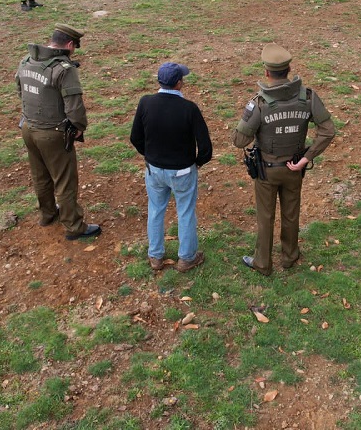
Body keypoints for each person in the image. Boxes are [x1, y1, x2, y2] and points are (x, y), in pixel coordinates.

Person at [232, 43, 335, 276]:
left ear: (267, 72)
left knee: (265, 217)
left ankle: (263, 263)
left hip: (266, 171)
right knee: (291, 213)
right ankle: (289, 256)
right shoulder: (308, 97)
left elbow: (239, 140)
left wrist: (246, 116)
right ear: (289, 69)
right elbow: (328, 130)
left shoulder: (259, 103)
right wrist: (306, 158)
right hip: (295, 168)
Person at [16, 22, 101, 240]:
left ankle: (47, 214)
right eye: (75, 47)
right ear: (70, 44)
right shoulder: (64, 69)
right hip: (52, 133)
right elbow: (74, 105)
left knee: (40, 176)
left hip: (28, 127)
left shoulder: (27, 60)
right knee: (64, 180)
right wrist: (78, 128)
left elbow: (20, 90)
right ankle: (74, 226)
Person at [129, 62, 213, 272]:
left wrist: (149, 156)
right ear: (178, 83)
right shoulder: (189, 109)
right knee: (185, 212)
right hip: (183, 171)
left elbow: (135, 137)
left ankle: (155, 256)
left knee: (155, 210)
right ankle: (186, 258)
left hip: (154, 169)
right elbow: (205, 147)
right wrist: (197, 163)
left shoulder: (146, 103)